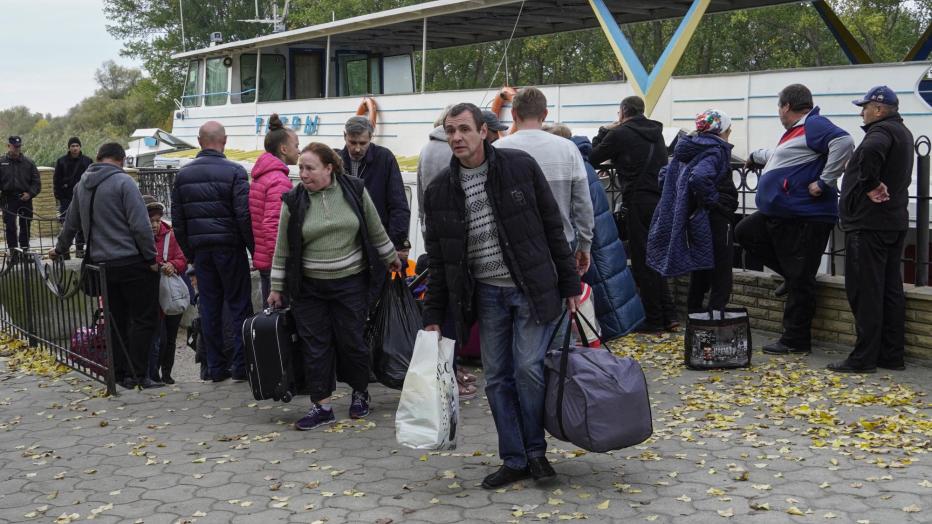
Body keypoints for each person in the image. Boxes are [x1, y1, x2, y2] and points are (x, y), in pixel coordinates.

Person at [422, 103, 580, 489]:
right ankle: (514, 458)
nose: (456, 137)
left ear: (484, 131)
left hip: (529, 289)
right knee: (496, 378)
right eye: (450, 130)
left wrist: (570, 285)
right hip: (486, 295)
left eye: (463, 129)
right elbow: (439, 260)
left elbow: (552, 227)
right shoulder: (440, 189)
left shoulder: (519, 166)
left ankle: (536, 453)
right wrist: (433, 314)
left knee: (528, 369)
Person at [267, 143, 401, 430]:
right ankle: (322, 406)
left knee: (351, 341)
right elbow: (282, 249)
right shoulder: (293, 200)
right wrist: (277, 287)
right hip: (309, 288)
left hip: (351, 283)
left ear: (329, 168)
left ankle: (360, 393)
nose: (302, 174)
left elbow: (375, 226)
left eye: (310, 168)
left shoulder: (353, 189)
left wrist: (391, 257)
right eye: (300, 168)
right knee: (316, 346)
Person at [734, 84, 854, 356]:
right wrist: (756, 156)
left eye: (779, 107)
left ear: (787, 106)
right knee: (745, 232)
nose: (779, 112)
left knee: (802, 278)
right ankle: (790, 275)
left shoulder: (815, 124)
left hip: (805, 216)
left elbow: (844, 142)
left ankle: (795, 340)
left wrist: (824, 181)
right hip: (785, 213)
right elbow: (782, 158)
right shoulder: (797, 132)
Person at [49, 143, 162, 389]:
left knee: (115, 320)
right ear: (121, 160)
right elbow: (140, 226)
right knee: (143, 319)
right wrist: (152, 258)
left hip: (101, 265)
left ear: (98, 158)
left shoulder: (82, 186)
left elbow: (71, 224)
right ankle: (139, 374)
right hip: (131, 262)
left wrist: (59, 249)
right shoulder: (124, 183)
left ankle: (120, 373)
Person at [829, 86, 914, 373]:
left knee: (866, 291)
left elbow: (871, 156)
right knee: (890, 290)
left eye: (864, 107)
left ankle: (863, 358)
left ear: (878, 109)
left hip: (869, 225)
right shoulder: (902, 132)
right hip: (893, 222)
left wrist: (869, 182)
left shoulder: (879, 133)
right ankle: (891, 355)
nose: (862, 112)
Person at [545, 123, 646, 338]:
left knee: (603, 292)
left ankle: (598, 335)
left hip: (591, 239)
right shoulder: (584, 162)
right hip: (601, 235)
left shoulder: (571, 165)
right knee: (609, 288)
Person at [171, 121, 254, 383]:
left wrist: (191, 253)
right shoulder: (235, 171)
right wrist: (251, 247)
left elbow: (178, 221)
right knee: (239, 305)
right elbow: (243, 215)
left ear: (199, 141)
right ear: (225, 141)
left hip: (202, 251)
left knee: (209, 308)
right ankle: (241, 366)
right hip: (230, 248)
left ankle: (215, 368)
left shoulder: (183, 175)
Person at [589, 96, 677, 331]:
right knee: (655, 257)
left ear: (622, 112)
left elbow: (593, 156)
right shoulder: (656, 132)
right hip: (658, 199)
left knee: (642, 260)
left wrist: (603, 131)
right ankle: (669, 314)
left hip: (638, 200)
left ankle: (655, 319)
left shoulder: (620, 134)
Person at [494, 87, 593, 277]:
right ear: (545, 114)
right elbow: (583, 204)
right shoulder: (568, 148)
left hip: (511, 250)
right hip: (559, 246)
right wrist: (585, 244)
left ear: (514, 114)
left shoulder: (497, 150)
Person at [649, 110, 738, 312]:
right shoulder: (715, 150)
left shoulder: (689, 147)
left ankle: (694, 318)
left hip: (694, 216)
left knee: (702, 266)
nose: (730, 132)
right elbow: (699, 177)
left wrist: (687, 198)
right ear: (720, 130)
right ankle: (715, 321)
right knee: (721, 273)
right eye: (728, 128)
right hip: (714, 216)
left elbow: (665, 176)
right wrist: (714, 201)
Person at [338, 116, 411, 306]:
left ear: (371, 137)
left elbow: (398, 205)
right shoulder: (335, 160)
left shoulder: (384, 158)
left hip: (376, 248)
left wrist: (395, 244)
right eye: (352, 142)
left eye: (363, 143)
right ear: (344, 136)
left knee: (373, 304)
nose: (357, 148)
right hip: (344, 248)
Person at [250, 114, 299, 302]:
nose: (299, 151)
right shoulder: (279, 180)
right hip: (273, 264)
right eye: (296, 146)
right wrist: (281, 266)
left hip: (263, 259)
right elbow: (273, 225)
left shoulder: (262, 176)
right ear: (284, 149)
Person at [144, 195, 188, 384]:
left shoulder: (171, 234)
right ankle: (153, 373)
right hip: (152, 293)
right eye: (150, 220)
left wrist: (173, 265)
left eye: (156, 220)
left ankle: (167, 373)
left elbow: (182, 257)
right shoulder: (140, 237)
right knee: (158, 338)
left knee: (170, 337)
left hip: (170, 293)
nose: (154, 224)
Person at [0, 136, 41, 258]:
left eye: (19, 146)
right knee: (10, 226)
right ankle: (13, 253)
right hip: (8, 198)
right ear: (9, 146)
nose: (17, 149)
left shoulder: (29, 163)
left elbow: (36, 182)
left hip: (25, 198)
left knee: (25, 225)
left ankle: (25, 251)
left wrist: (30, 193)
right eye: (14, 146)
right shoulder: (1, 162)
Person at [53, 137, 92, 258]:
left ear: (80, 147)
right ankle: (64, 250)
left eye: (77, 146)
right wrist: (59, 196)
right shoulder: (61, 161)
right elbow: (56, 180)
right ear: (69, 147)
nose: (75, 148)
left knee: (82, 223)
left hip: (83, 196)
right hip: (66, 198)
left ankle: (80, 249)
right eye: (72, 146)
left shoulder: (87, 161)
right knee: (66, 224)